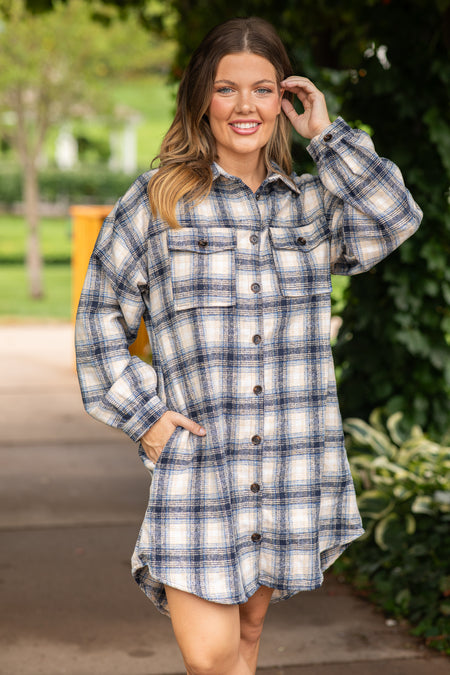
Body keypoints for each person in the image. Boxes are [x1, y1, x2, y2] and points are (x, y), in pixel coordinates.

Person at [75, 16, 422, 675]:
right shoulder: (154, 204)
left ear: (284, 100)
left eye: (262, 89)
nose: (245, 106)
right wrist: (145, 418)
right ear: (203, 97)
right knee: (211, 657)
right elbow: (98, 327)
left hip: (292, 462)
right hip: (202, 467)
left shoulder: (314, 206)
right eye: (227, 88)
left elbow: (396, 217)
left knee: (247, 641)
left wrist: (328, 134)